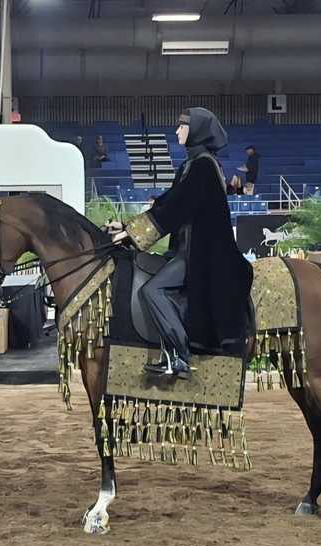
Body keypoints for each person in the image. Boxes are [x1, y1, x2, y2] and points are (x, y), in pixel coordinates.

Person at [106, 107, 253, 380]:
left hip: (202, 256)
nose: (177, 131)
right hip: (188, 250)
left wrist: (131, 236)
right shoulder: (192, 164)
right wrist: (126, 226)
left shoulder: (204, 166)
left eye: (182, 127)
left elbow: (177, 208)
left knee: (152, 290)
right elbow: (167, 201)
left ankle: (179, 357)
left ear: (197, 131)